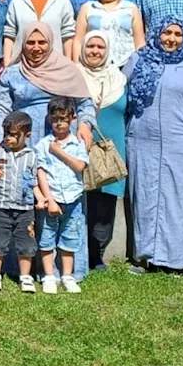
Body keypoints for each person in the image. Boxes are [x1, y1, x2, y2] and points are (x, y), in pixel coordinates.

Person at [124, 21, 183, 275]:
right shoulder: (138, 60)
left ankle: (179, 260)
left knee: (179, 201)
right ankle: (146, 257)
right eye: (166, 32)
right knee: (146, 198)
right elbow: (118, 91)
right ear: (156, 33)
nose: (171, 39)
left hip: (181, 143)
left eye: (178, 34)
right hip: (143, 140)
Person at [76, 31, 128, 271]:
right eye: (90, 46)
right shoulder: (73, 76)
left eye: (100, 47)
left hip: (111, 147)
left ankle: (97, 254)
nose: (95, 51)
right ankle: (77, 250)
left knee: (105, 200)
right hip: (80, 146)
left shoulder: (119, 78)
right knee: (80, 198)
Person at [0, 111, 43, 293]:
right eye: (7, 134)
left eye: (14, 135)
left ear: (27, 135)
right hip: (1, 206)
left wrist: (40, 198)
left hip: (25, 209)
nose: (9, 139)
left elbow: (33, 182)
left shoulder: (32, 156)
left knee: (26, 243)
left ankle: (25, 277)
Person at [35, 97, 90, 294]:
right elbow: (40, 171)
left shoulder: (77, 143)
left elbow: (79, 166)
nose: (59, 123)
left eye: (63, 119)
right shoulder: (43, 144)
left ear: (72, 119)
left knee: (70, 238)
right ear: (49, 119)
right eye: (55, 118)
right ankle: (49, 275)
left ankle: (68, 275)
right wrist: (48, 198)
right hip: (53, 198)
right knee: (47, 238)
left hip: (73, 199)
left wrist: (58, 152)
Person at [3, 0, 76, 63]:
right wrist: (7, 63)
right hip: (23, 64)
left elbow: (67, 35)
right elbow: (10, 35)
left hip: (54, 65)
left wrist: (68, 63)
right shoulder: (18, 2)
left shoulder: (62, 1)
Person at [74, 0, 145, 69]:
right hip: (94, 68)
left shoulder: (131, 8)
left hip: (126, 66)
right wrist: (77, 67)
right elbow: (78, 41)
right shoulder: (87, 8)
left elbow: (139, 43)